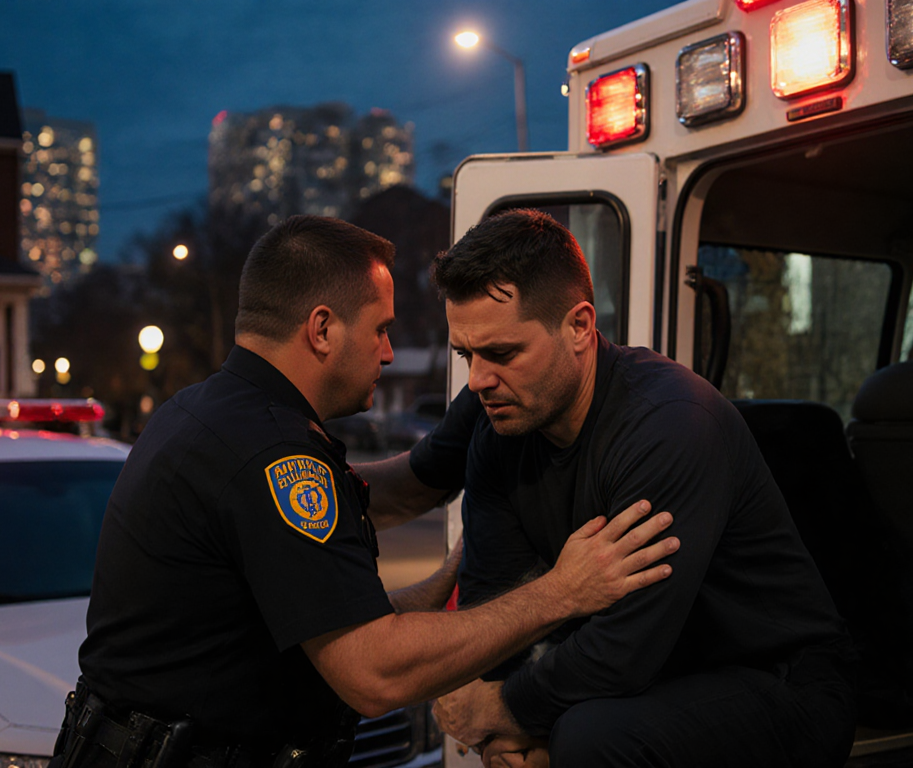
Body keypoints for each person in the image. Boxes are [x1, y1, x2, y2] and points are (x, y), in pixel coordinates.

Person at [60, 215, 679, 768]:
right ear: (323, 329)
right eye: (380, 329)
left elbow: (340, 577)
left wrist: (447, 580)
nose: (388, 353)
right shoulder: (274, 454)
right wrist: (558, 594)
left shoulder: (207, 413)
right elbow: (373, 672)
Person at [418, 209, 856, 768]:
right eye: (466, 354)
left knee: (590, 738)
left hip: (781, 679)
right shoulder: (499, 427)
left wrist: (500, 710)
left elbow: (624, 651)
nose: (478, 379)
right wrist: (503, 736)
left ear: (579, 327)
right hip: (661, 675)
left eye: (502, 353)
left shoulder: (668, 424)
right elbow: (493, 606)